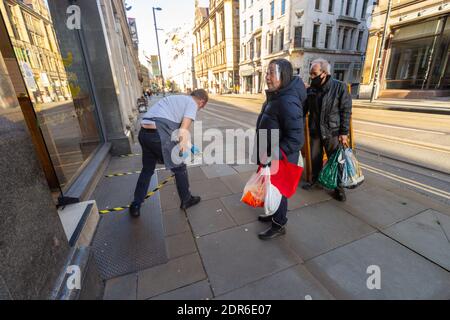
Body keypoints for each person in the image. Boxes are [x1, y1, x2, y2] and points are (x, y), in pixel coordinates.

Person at [129, 89, 209, 217]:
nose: (199, 109)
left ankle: (136, 204)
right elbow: (182, 130)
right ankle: (186, 199)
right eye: (202, 107)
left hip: (144, 134)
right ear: (201, 101)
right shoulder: (192, 104)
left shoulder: (176, 99)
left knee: (147, 170)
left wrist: (191, 146)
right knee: (180, 167)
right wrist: (182, 152)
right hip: (158, 135)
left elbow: (175, 131)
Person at [255, 59, 306, 240]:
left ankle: (279, 224)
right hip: (270, 153)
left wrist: (273, 154)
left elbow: (296, 138)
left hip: (280, 157)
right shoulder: (277, 95)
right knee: (271, 188)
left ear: (283, 76)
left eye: (271, 73)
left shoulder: (287, 100)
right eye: (266, 73)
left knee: (280, 190)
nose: (267, 77)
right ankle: (272, 213)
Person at [302, 58, 352, 202]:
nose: (312, 77)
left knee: (336, 161)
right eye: (310, 74)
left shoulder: (339, 87)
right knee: (315, 158)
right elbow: (304, 109)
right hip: (315, 131)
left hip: (332, 132)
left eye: (314, 74)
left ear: (324, 73)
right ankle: (316, 180)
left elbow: (346, 111)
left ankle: (339, 188)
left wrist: (344, 133)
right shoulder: (311, 89)